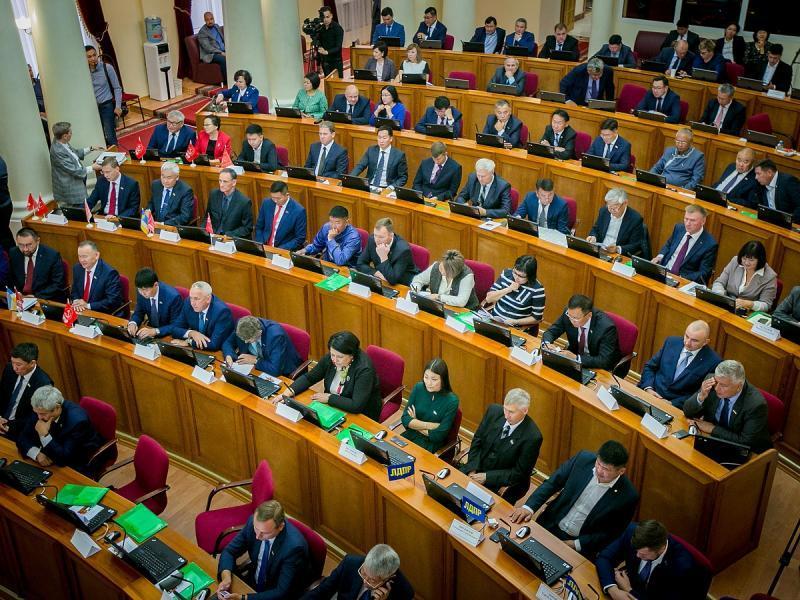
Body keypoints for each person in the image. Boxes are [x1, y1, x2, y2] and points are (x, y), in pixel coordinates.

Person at [509, 440, 638, 557]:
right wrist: (528, 507)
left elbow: (611, 533)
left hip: (579, 544)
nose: (599, 470)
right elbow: (552, 483)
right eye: (598, 463)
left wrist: (577, 544)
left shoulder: (627, 496)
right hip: (550, 524)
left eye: (606, 469)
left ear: (621, 471)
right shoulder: (582, 459)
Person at [460, 389, 543, 503]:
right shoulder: (493, 411)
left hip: (500, 482)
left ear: (525, 410)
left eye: (511, 412)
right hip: (476, 468)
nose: (506, 415)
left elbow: (519, 473)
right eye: (505, 409)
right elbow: (477, 440)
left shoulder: (533, 437)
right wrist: (472, 469)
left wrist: (487, 477)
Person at [595, 520, 710, 600]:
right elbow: (604, 558)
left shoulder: (682, 568)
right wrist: (612, 589)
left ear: (660, 548)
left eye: (643, 554)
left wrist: (629, 590)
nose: (637, 556)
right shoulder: (632, 531)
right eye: (636, 551)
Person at [217, 500, 309, 600]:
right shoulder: (254, 523)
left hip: (274, 592)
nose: (257, 536)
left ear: (280, 527)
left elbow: (281, 591)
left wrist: (243, 598)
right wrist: (226, 577)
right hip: (253, 581)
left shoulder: (294, 548)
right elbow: (229, 551)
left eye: (265, 533)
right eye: (256, 529)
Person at [281, 331, 382, 420]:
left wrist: (329, 398)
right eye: (332, 354)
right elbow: (310, 378)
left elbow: (356, 405)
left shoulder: (364, 370)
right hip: (332, 407)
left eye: (340, 357)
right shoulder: (331, 358)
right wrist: (290, 391)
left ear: (352, 355)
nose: (334, 360)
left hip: (360, 414)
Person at [683, 360, 771, 453]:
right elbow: (688, 412)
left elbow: (745, 442)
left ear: (739, 386)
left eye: (723, 386)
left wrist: (713, 429)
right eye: (717, 382)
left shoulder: (755, 405)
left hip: (744, 452)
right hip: (712, 440)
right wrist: (701, 396)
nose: (717, 388)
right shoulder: (711, 382)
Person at [16, 386, 103, 476]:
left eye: (42, 414)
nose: (39, 417)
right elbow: (22, 437)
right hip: (49, 457)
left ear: (57, 407)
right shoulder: (40, 409)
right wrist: (36, 454)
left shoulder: (76, 422)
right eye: (36, 413)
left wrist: (44, 435)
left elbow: (63, 459)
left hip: (77, 463)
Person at [639, 320, 722, 408]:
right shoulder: (671, 342)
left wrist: (672, 404)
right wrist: (648, 388)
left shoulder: (713, 361)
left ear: (705, 342)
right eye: (687, 336)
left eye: (694, 340)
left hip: (675, 406)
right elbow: (650, 367)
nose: (687, 343)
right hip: (650, 393)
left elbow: (700, 392)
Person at [303, 543, 414, 600]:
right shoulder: (350, 563)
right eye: (363, 573)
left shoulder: (404, 592)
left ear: (389, 578)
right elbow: (323, 590)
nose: (365, 581)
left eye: (372, 580)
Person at [542, 294, 621, 371]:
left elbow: (604, 361)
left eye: (576, 318)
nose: (572, 320)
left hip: (596, 366)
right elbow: (551, 332)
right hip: (574, 360)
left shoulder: (606, 328)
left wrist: (576, 358)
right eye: (570, 316)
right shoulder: (569, 313)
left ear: (589, 315)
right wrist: (547, 344)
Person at [401, 358, 459, 453]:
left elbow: (438, 435)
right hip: (410, 435)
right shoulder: (418, 388)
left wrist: (415, 422)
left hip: (431, 445)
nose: (428, 383)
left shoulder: (452, 401)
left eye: (434, 379)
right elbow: (405, 419)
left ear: (443, 379)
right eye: (426, 377)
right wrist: (430, 426)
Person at [653, 204, 718, 284]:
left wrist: (682, 278)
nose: (687, 223)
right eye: (686, 219)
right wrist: (659, 257)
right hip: (663, 272)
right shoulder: (679, 228)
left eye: (692, 220)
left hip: (682, 281)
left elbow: (704, 273)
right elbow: (668, 245)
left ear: (703, 221)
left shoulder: (710, 244)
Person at [0, 343, 53, 440]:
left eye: (18, 365)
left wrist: (8, 425)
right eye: (12, 362)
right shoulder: (9, 369)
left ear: (32, 363)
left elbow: (36, 416)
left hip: (18, 431)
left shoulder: (43, 384)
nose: (14, 368)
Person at [223, 316, 301, 378]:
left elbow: (275, 370)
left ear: (259, 333)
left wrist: (255, 360)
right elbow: (227, 343)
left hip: (282, 374)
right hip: (253, 370)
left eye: (249, 340)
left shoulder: (275, 336)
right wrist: (229, 355)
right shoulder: (241, 325)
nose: (245, 342)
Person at [167, 281, 234, 352]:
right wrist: (191, 333)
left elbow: (214, 344)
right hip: (198, 349)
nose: (192, 303)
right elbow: (174, 329)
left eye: (196, 299)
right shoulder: (188, 303)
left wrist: (189, 342)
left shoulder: (222, 312)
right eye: (191, 298)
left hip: (216, 352)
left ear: (208, 299)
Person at [712, 240, 778, 313]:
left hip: (746, 312)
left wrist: (749, 304)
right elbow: (719, 282)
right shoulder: (735, 262)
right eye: (744, 258)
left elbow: (766, 305)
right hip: (724, 306)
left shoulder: (770, 277)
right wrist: (720, 295)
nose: (746, 263)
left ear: (760, 260)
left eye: (751, 260)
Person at [50, 121, 102, 208]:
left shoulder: (61, 141)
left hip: (78, 179)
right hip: (71, 185)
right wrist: (93, 167)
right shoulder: (57, 150)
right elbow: (74, 170)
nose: (72, 134)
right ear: (65, 136)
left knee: (83, 205)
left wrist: (91, 149)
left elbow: (74, 153)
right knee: (81, 207)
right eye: (70, 132)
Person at [485, 255, 545, 328]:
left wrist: (515, 322)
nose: (516, 277)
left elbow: (536, 318)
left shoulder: (537, 290)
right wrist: (508, 289)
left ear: (530, 276)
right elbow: (489, 299)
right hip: (494, 319)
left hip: (514, 326)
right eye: (515, 272)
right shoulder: (506, 274)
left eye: (521, 276)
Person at [586, 188, 647, 257]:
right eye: (609, 207)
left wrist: (618, 249)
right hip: (600, 250)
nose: (611, 211)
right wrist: (593, 236)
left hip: (617, 255)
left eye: (615, 208)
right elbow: (596, 229)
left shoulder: (635, 219)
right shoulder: (604, 211)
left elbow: (635, 245)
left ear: (625, 203)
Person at [356, 217, 417, 285]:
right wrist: (377, 273)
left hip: (405, 284)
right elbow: (360, 264)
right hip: (383, 281)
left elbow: (393, 280)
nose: (377, 240)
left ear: (391, 235)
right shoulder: (372, 240)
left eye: (381, 237)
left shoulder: (403, 250)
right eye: (375, 235)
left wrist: (383, 257)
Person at [9, 227, 66, 300]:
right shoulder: (14, 253)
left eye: (29, 244)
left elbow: (58, 284)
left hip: (44, 297)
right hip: (21, 297)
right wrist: (16, 292)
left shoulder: (52, 256)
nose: (25, 249)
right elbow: (10, 278)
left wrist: (36, 296)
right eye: (21, 245)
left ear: (38, 241)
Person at [411, 249, 479, 310]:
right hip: (439, 308)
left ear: (455, 272)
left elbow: (461, 301)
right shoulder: (436, 267)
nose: (442, 272)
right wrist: (416, 289)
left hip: (464, 311)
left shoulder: (467, 276)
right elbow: (418, 279)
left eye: (447, 271)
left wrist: (438, 297)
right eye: (441, 268)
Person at [70, 240, 124, 315]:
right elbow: (75, 290)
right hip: (81, 311)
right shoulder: (77, 268)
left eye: (85, 256)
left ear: (96, 255)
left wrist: (88, 306)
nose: (82, 260)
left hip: (102, 313)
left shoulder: (109, 273)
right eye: (79, 256)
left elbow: (112, 301)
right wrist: (76, 301)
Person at [127, 268, 183, 340]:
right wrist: (133, 323)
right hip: (150, 330)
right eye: (139, 289)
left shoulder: (173, 297)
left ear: (156, 285)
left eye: (146, 290)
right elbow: (139, 313)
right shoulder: (141, 291)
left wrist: (155, 331)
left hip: (168, 334)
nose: (142, 293)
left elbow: (176, 325)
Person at [350, 125, 408, 189]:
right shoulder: (371, 150)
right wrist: (350, 178)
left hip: (387, 187)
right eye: (379, 137)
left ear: (391, 139)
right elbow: (360, 166)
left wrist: (392, 187)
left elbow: (403, 177)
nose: (381, 141)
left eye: (384, 138)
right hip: (370, 184)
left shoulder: (399, 155)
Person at [85, 45, 122, 146]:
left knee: (110, 136)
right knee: (98, 137)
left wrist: (118, 106)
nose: (93, 58)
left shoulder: (107, 68)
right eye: (89, 56)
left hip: (107, 106)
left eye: (94, 55)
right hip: (92, 109)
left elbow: (117, 88)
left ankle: (116, 153)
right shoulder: (84, 72)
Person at [254, 181, 307, 250]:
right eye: (273, 197)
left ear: (287, 195)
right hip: (264, 246)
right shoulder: (266, 203)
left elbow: (300, 238)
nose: (275, 201)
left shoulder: (298, 211)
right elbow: (259, 227)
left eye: (278, 198)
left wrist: (279, 250)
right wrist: (260, 243)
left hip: (283, 249)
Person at [747, 158, 800, 222]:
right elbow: (755, 203)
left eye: (758, 174)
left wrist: (789, 220)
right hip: (767, 220)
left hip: (787, 223)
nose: (756, 177)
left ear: (769, 172)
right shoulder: (760, 184)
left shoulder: (788, 182)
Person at [204, 168, 252, 238]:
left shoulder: (244, 202)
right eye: (220, 181)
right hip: (212, 235)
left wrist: (228, 235)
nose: (221, 185)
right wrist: (203, 232)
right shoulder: (213, 194)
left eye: (225, 181)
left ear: (234, 182)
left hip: (231, 238)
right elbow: (207, 217)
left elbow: (247, 228)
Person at [147, 162, 194, 226]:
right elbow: (151, 203)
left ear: (177, 177)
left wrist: (163, 224)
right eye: (163, 176)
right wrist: (147, 214)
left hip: (172, 226)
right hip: (154, 224)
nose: (165, 181)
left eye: (169, 178)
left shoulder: (185, 191)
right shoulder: (156, 185)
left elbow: (185, 216)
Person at [197, 11, 227, 85]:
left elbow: (222, 39)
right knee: (223, 59)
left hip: (222, 49)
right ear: (205, 20)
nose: (210, 21)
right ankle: (227, 81)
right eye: (207, 20)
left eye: (211, 19)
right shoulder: (202, 32)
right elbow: (207, 47)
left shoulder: (216, 26)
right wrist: (221, 52)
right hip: (211, 54)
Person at [318, 6, 344, 77]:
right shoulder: (321, 29)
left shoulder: (338, 29)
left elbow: (338, 47)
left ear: (331, 16)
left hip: (336, 61)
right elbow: (319, 46)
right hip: (325, 62)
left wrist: (327, 52)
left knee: (337, 82)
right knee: (327, 81)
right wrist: (318, 63)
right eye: (323, 17)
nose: (325, 20)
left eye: (327, 17)